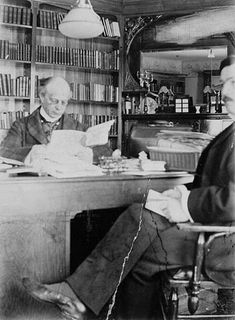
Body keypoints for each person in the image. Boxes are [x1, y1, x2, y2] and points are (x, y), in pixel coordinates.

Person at [23, 55, 235, 320]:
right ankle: (83, 303)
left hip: (222, 245)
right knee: (137, 251)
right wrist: (178, 195)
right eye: (223, 83)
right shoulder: (230, 131)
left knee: (137, 225)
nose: (224, 91)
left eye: (233, 82)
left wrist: (184, 202)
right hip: (215, 234)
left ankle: (79, 299)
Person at [0, 76, 112, 164]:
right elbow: (4, 151)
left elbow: (106, 152)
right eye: (54, 101)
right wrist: (30, 152)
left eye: (64, 102)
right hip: (33, 185)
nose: (59, 107)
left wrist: (90, 154)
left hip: (66, 186)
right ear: (42, 97)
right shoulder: (21, 125)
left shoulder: (78, 127)